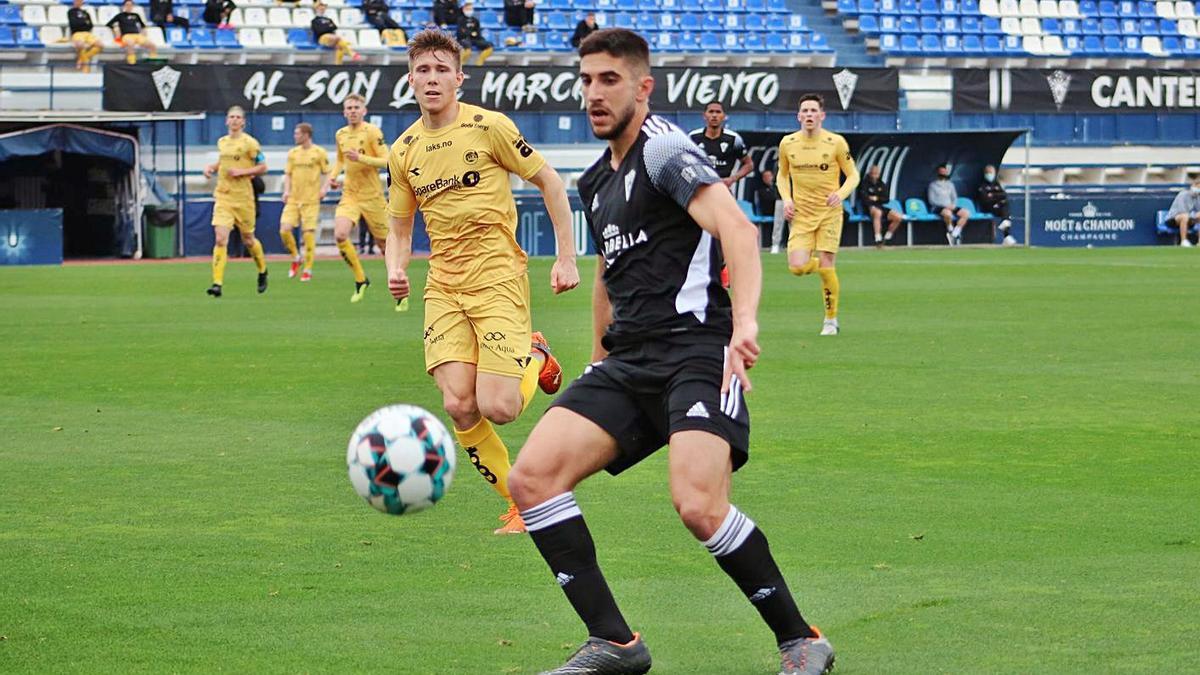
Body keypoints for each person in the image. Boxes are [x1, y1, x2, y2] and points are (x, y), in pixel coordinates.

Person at [505, 28, 835, 675]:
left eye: (609, 80)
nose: (594, 94)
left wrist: (744, 325)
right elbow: (607, 275)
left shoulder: (665, 152)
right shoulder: (595, 181)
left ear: (642, 86)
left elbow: (736, 227)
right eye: (586, 80)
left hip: (698, 352)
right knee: (531, 477)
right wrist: (597, 359)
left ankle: (800, 638)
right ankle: (616, 644)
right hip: (628, 365)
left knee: (698, 505)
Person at [384, 30, 580, 535]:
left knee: (500, 406)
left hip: (496, 277)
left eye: (441, 70)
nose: (432, 79)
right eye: (422, 71)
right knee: (458, 403)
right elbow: (400, 227)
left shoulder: (489, 127)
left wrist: (566, 258)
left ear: (458, 78)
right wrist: (395, 267)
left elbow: (550, 182)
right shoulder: (403, 149)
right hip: (444, 285)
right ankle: (523, 504)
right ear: (410, 80)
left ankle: (535, 357)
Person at [777, 93, 859, 336]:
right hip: (801, 214)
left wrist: (840, 194)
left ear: (822, 116)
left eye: (814, 111)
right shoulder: (788, 143)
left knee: (827, 263)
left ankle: (830, 320)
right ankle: (821, 268)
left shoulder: (835, 142)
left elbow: (853, 175)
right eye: (805, 111)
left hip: (829, 213)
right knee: (797, 267)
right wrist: (787, 199)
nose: (809, 115)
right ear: (798, 116)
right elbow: (782, 175)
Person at [327, 93, 389, 302]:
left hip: (372, 196)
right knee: (340, 234)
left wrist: (360, 157)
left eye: (356, 107)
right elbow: (339, 160)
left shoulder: (372, 132)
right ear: (344, 112)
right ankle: (361, 279)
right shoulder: (341, 134)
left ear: (364, 111)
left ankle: (398, 284)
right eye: (349, 108)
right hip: (350, 194)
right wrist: (333, 177)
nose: (353, 111)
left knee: (385, 246)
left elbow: (387, 162)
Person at [203, 106, 268, 298]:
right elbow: (223, 162)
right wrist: (211, 168)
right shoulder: (222, 142)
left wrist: (242, 172)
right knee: (220, 238)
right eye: (231, 117)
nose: (234, 120)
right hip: (224, 196)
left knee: (248, 239)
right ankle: (217, 283)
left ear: (243, 122)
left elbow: (263, 166)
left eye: (238, 117)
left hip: (243, 198)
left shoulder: (250, 143)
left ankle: (262, 270)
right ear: (226, 121)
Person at [689, 101, 752, 287]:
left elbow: (748, 164)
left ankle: (725, 270)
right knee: (696, 232)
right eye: (711, 112)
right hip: (699, 192)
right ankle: (697, 271)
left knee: (724, 232)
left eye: (718, 112)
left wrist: (733, 178)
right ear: (704, 115)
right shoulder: (693, 138)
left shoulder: (733, 139)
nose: (714, 115)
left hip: (723, 192)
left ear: (724, 116)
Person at [280, 122, 331, 282]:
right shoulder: (293, 153)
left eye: (297, 134)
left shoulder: (319, 152)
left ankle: (308, 269)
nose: (295, 136)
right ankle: (296, 257)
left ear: (306, 135)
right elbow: (288, 174)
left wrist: (324, 189)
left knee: (308, 234)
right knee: (284, 230)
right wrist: (286, 191)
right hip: (294, 199)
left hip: (311, 200)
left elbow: (329, 173)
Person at [858, 164, 902, 248]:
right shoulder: (864, 184)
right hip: (869, 208)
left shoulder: (881, 184)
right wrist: (873, 200)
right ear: (870, 173)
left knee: (898, 217)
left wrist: (876, 198)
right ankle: (878, 238)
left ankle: (887, 238)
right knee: (877, 213)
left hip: (881, 206)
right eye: (873, 173)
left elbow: (886, 199)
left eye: (877, 174)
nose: (875, 176)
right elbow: (865, 199)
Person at [928, 163, 969, 246]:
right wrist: (945, 205)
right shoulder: (932, 185)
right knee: (947, 213)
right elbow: (931, 200)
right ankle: (950, 230)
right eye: (941, 172)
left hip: (950, 206)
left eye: (944, 172)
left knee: (965, 213)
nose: (943, 174)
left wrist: (952, 205)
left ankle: (954, 234)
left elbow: (954, 197)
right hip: (938, 207)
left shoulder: (950, 185)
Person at [106, 0, 157, 65]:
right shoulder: (120, 16)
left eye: (131, 5)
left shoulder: (136, 15)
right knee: (130, 44)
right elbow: (109, 24)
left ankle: (153, 63)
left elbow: (143, 26)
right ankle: (132, 63)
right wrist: (116, 29)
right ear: (124, 6)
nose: (129, 7)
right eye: (127, 5)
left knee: (152, 45)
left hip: (137, 35)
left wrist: (144, 34)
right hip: (126, 35)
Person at [977, 164, 1015, 246]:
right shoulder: (982, 185)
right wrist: (996, 196)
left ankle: (1006, 233)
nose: (989, 174)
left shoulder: (996, 183)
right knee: (1004, 208)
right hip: (988, 207)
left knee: (1005, 204)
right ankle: (1007, 234)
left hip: (998, 206)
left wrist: (993, 195)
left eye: (991, 172)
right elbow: (985, 199)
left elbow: (1004, 195)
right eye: (988, 172)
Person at [67, 0, 102, 73]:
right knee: (80, 45)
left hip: (87, 33)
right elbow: (74, 24)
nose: (79, 2)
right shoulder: (71, 12)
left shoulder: (86, 13)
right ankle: (86, 66)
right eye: (77, 1)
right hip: (77, 33)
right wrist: (84, 23)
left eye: (80, 1)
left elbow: (90, 25)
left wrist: (82, 23)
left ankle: (81, 59)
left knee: (100, 45)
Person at [1166, 174, 1200, 247]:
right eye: (1197, 185)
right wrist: (1194, 215)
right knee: (1184, 216)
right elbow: (1182, 211)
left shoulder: (1198, 197)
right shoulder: (1183, 194)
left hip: (1189, 219)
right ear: (1193, 185)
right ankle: (1183, 241)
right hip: (1173, 219)